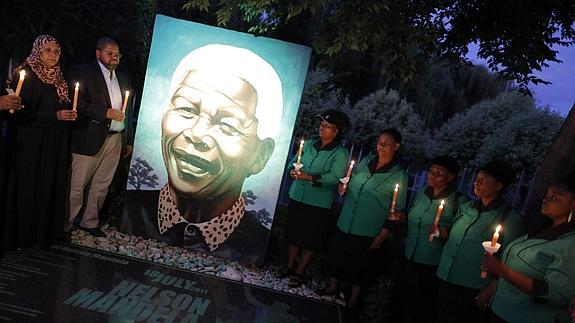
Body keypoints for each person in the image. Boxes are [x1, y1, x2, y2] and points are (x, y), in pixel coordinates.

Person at [121, 44, 282, 265]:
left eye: (227, 125)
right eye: (186, 109)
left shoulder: (252, 246)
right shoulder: (133, 212)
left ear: (260, 156)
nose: (196, 135)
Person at [319, 128, 408, 310]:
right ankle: (333, 288)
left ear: (396, 147)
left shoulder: (399, 174)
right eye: (380, 142)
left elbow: (396, 210)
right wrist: (343, 187)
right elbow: (350, 181)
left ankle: (352, 301)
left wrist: (382, 234)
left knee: (360, 266)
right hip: (346, 220)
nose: (381, 147)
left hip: (369, 228)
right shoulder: (367, 160)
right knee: (337, 255)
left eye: (387, 144)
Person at [2, 35, 76, 250]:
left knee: (48, 184)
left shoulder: (60, 79)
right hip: (29, 143)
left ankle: (42, 234)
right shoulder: (25, 75)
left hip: (53, 144)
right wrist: (54, 116)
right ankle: (23, 234)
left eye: (56, 51)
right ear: (38, 51)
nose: (53, 55)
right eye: (48, 50)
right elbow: (18, 114)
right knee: (28, 185)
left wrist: (67, 116)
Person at [436, 160, 525, 323]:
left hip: (473, 286)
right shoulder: (467, 207)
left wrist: (491, 289)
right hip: (446, 276)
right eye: (477, 177)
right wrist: (443, 234)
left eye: (483, 179)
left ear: (499, 185)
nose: (477, 181)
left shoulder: (510, 218)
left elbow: (512, 261)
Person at [483, 175, 575, 323]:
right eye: (546, 196)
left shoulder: (570, 243)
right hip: (503, 310)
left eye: (555, 197)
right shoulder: (544, 229)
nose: (546, 199)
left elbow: (556, 293)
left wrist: (504, 271)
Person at [68, 36, 133, 237]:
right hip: (89, 135)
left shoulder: (123, 79)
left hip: (115, 138)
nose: (114, 57)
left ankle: (90, 221)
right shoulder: (83, 72)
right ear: (98, 53)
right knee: (77, 184)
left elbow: (128, 111)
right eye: (110, 53)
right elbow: (77, 103)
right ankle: (67, 221)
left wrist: (127, 139)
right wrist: (104, 112)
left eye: (117, 54)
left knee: (102, 184)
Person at [282, 110, 350, 287]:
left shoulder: (340, 153)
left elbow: (335, 177)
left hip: (318, 202)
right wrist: (291, 170)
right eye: (321, 125)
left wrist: (310, 177)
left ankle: (300, 272)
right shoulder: (310, 144)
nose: (322, 128)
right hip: (298, 195)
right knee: (294, 232)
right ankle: (289, 266)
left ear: (336, 132)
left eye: (327, 126)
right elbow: (294, 162)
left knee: (311, 238)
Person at [401, 155, 468, 323]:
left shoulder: (459, 200)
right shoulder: (424, 191)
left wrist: (444, 233)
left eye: (439, 173)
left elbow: (460, 234)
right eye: (431, 172)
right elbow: (413, 216)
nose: (432, 176)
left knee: (423, 304)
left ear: (451, 177)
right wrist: (401, 218)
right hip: (410, 253)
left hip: (432, 261)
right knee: (405, 299)